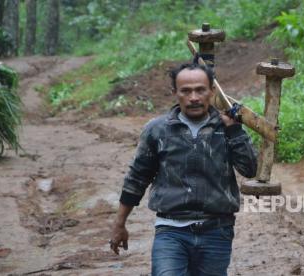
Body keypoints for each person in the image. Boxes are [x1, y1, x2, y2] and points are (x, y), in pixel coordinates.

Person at [110, 62, 257, 276]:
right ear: (175, 93)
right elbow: (137, 178)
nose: (194, 97)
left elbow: (250, 169)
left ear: (212, 91)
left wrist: (234, 130)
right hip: (170, 230)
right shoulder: (158, 130)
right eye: (186, 91)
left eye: (200, 90)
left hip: (217, 230)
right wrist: (119, 223)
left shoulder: (225, 127)